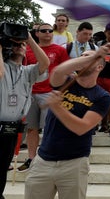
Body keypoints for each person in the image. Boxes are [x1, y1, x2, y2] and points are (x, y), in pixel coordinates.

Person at [24, 45, 110, 199]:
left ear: (99, 66)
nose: (82, 59)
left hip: (74, 163)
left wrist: (57, 107)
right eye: (82, 56)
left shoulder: (102, 96)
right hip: (43, 160)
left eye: (88, 57)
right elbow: (58, 71)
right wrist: (93, 56)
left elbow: (81, 127)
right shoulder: (65, 81)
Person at [0, 34, 49, 199]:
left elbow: (45, 64)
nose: (18, 46)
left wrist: (29, 39)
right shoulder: (3, 67)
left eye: (21, 44)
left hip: (12, 129)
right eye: (13, 43)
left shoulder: (28, 71)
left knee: (2, 169)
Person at [18, 23, 70, 173]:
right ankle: (31, 158)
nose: (48, 33)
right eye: (44, 31)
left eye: (50, 30)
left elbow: (66, 69)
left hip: (50, 92)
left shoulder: (59, 50)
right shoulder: (27, 50)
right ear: (37, 33)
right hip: (31, 93)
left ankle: (47, 157)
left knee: (49, 128)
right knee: (31, 128)